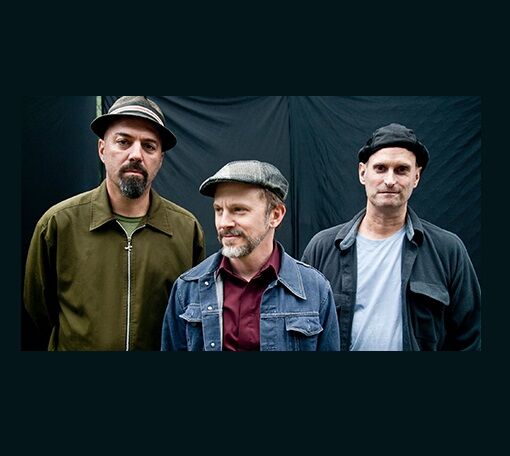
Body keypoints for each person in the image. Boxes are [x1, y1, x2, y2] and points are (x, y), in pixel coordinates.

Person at [23, 96, 206, 351]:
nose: (136, 155)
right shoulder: (59, 224)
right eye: (123, 142)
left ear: (161, 159)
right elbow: (39, 312)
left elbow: (190, 316)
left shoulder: (186, 230)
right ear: (102, 149)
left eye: (149, 146)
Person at [302, 123, 481, 351]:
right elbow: (302, 329)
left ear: (416, 177)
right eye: (380, 168)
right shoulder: (322, 248)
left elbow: (470, 338)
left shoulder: (448, 250)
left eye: (401, 170)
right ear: (362, 173)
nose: (389, 180)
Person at [161, 160, 340, 351]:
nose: (224, 223)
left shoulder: (315, 289)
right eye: (218, 210)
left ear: (275, 215)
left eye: (238, 210)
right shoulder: (187, 288)